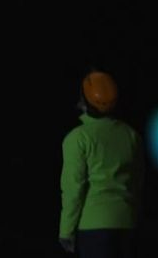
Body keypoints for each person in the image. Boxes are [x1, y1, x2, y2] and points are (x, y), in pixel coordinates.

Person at [59, 71, 143, 257]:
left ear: (84, 100)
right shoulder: (131, 135)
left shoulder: (78, 138)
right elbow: (137, 183)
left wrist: (66, 231)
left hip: (93, 227)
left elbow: (74, 188)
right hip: (126, 224)